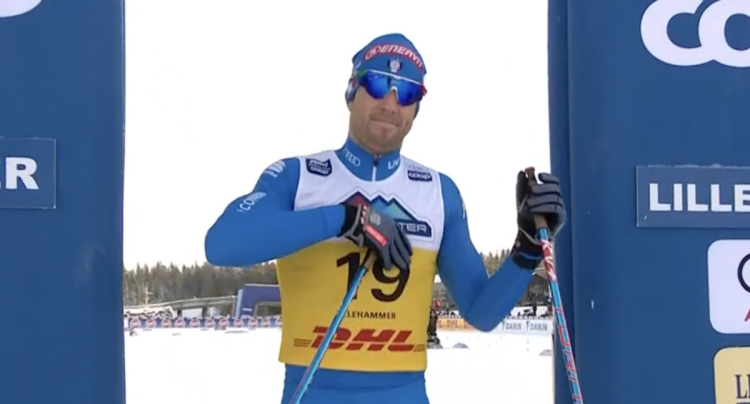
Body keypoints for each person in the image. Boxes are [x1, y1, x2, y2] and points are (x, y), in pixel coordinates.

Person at [204, 33, 565, 404]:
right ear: (351, 91)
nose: (391, 103)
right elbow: (222, 244)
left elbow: (481, 312)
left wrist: (526, 248)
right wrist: (345, 219)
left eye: (407, 93)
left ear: (416, 108)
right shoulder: (299, 178)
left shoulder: (438, 194)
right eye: (379, 84)